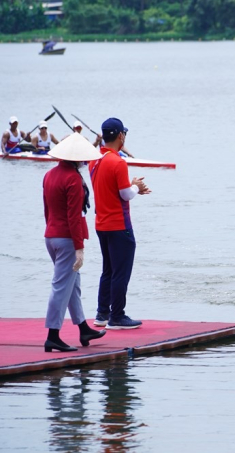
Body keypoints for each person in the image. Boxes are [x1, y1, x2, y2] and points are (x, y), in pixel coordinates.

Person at [43, 133, 107, 352]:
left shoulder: (49, 175)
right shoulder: (72, 178)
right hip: (67, 238)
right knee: (61, 286)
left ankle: (83, 328)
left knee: (72, 284)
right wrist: (79, 247)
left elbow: (47, 210)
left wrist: (51, 232)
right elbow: (73, 216)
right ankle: (53, 335)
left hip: (51, 236)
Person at [89, 118, 151, 330]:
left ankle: (102, 314)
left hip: (101, 224)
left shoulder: (94, 159)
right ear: (120, 136)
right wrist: (136, 187)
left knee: (108, 269)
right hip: (118, 224)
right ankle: (117, 316)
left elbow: (111, 189)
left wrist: (132, 186)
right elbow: (125, 194)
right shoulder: (118, 162)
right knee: (120, 272)